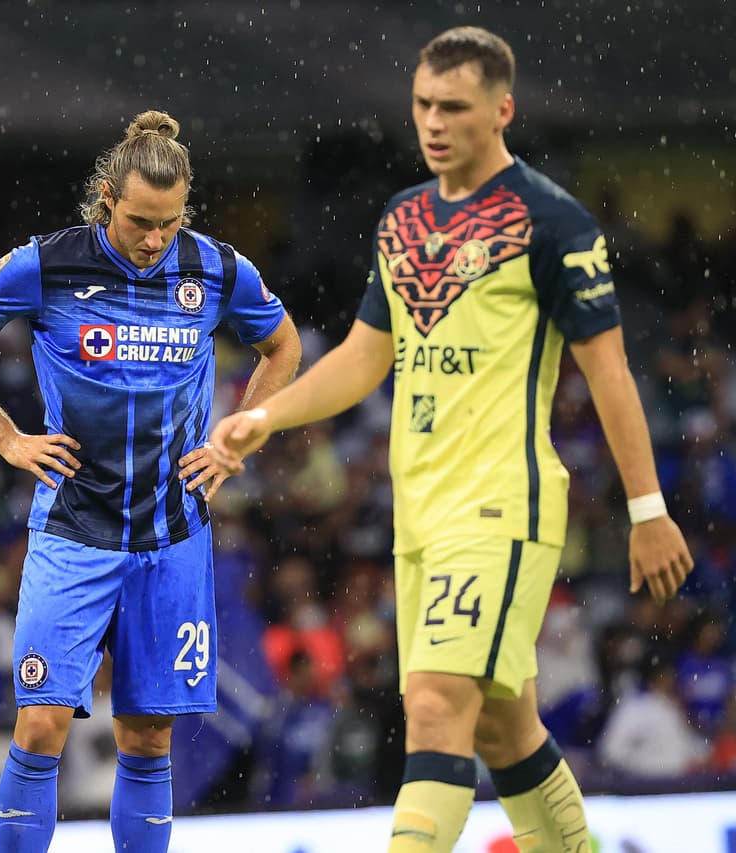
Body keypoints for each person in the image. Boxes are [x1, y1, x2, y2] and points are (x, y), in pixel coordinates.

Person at [209, 26, 694, 853]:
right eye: (423, 105)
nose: (434, 122)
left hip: (500, 504)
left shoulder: (553, 222)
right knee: (505, 728)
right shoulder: (403, 218)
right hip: (422, 513)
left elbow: (610, 372)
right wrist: (266, 416)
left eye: (455, 107)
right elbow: (366, 355)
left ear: (502, 111)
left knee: (434, 705)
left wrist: (648, 509)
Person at [0, 109, 301, 853]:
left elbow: (282, 346)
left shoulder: (217, 269)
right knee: (40, 723)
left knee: (149, 736)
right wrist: (5, 437)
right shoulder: (48, 264)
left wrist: (236, 439)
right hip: (73, 530)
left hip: (174, 535)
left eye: (169, 222)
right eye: (139, 222)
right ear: (106, 201)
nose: (155, 240)